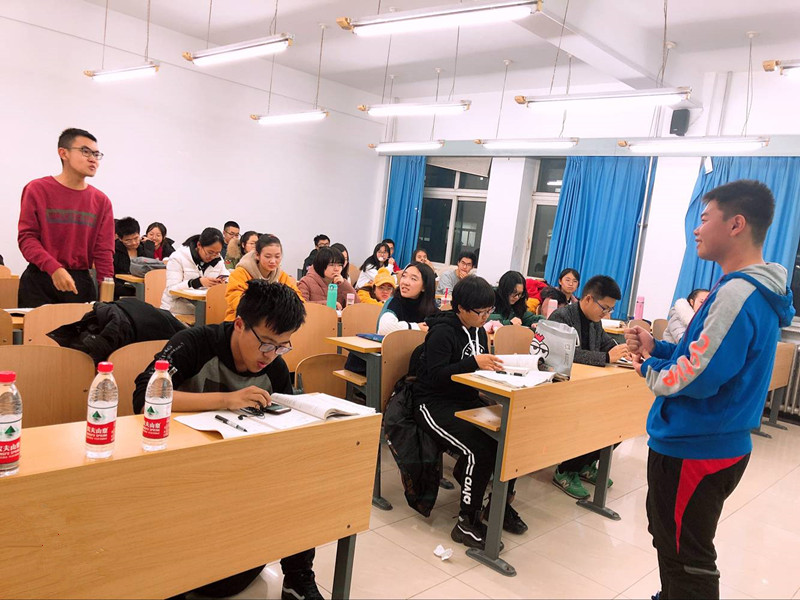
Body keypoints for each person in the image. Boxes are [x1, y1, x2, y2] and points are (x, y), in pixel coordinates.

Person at [624, 180, 794, 600]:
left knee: (688, 557)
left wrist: (647, 368)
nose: (697, 230)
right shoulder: (747, 288)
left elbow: (696, 376)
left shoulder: (739, 292)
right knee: (673, 541)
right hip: (708, 440)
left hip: (696, 446)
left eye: (704, 219)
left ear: (736, 224)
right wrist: (658, 347)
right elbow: (704, 356)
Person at [133, 281, 322, 600]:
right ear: (240, 324)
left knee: (299, 479)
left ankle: (297, 577)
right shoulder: (194, 343)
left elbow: (285, 425)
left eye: (282, 346)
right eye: (266, 344)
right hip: (180, 474)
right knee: (181, 576)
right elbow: (145, 398)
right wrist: (227, 400)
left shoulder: (275, 367)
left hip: (239, 481)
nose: (271, 355)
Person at [413, 276, 528, 549]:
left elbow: (476, 370)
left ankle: (497, 505)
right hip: (433, 403)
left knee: (511, 437)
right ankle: (467, 521)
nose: (485, 317)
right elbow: (436, 376)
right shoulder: (442, 332)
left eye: (489, 311)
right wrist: (473, 362)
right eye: (481, 312)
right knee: (480, 450)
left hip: (466, 399)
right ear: (461, 308)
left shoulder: (478, 331)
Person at [547, 275, 630, 499]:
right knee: (593, 419)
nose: (606, 313)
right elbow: (564, 355)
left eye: (610, 309)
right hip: (560, 388)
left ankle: (585, 464)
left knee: (621, 421)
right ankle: (566, 470)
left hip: (586, 386)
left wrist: (623, 351)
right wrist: (606, 357)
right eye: (605, 308)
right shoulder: (561, 317)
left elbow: (606, 343)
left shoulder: (595, 320)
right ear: (589, 299)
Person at [17, 127, 114, 307]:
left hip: (80, 283)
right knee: (36, 327)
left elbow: (104, 251)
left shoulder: (101, 201)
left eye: (96, 154)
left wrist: (106, 292)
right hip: (40, 279)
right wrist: (54, 268)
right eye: (85, 151)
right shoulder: (37, 189)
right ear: (63, 153)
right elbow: (27, 239)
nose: (93, 159)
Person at [225, 234, 301, 321]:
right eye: (267, 256)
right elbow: (236, 300)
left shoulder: (282, 276)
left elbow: (298, 299)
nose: (273, 261)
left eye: (277, 256)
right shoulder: (241, 273)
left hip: (273, 322)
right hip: (242, 320)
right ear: (257, 255)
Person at [161, 228, 228, 315]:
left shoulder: (218, 259)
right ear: (199, 245)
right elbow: (171, 291)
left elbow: (226, 276)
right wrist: (197, 282)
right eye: (210, 252)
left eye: (217, 253)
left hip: (204, 310)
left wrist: (223, 282)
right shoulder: (178, 257)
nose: (212, 256)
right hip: (176, 311)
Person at [377, 262, 437, 335]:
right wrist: (416, 327)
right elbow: (385, 328)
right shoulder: (394, 301)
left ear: (424, 286)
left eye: (413, 279)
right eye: (404, 276)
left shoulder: (430, 306)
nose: (405, 282)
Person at [113, 217, 155, 298]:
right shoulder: (114, 251)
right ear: (120, 238)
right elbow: (111, 279)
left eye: (136, 238)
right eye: (128, 240)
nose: (133, 243)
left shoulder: (144, 250)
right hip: (120, 294)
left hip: (142, 292)